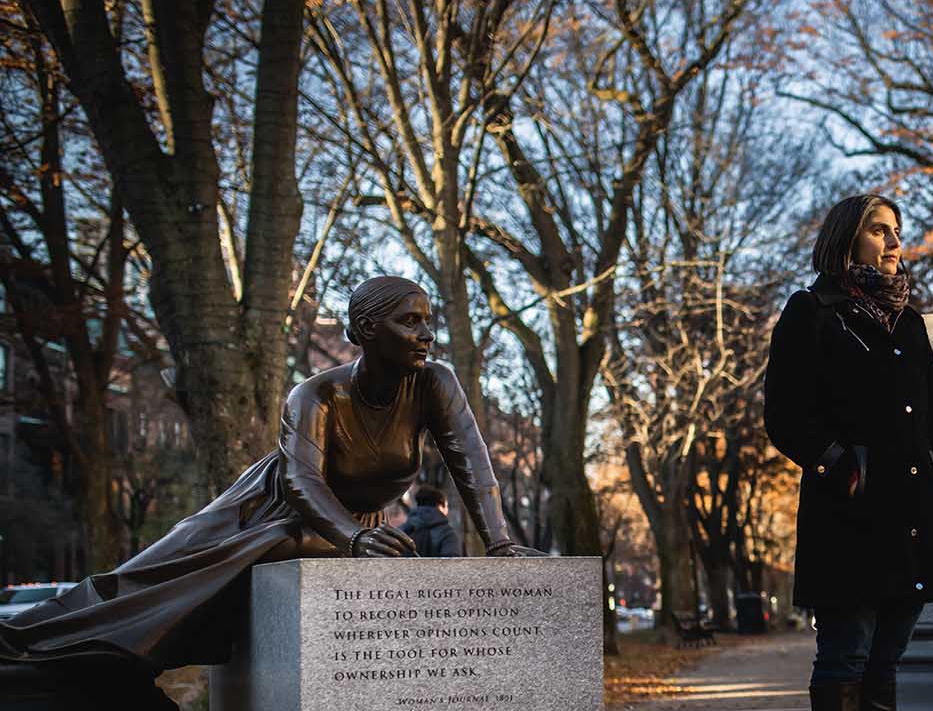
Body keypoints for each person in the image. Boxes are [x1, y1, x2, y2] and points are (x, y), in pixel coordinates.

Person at [1, 274, 541, 673]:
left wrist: (499, 544)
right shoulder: (316, 396)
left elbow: (472, 462)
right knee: (151, 574)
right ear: (366, 331)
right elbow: (303, 481)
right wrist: (353, 538)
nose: (427, 335)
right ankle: (33, 633)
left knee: (249, 560)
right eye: (410, 322)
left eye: (428, 322)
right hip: (268, 508)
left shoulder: (436, 384)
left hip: (346, 528)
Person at [764, 194, 933, 711]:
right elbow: (785, 416)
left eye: (898, 230)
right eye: (880, 229)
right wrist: (842, 466)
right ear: (849, 238)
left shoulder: (909, 320)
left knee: (886, 660)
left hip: (910, 518)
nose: (894, 240)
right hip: (846, 518)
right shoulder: (811, 312)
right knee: (844, 657)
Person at [401, 484, 464, 558]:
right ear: (440, 506)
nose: (447, 511)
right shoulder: (447, 534)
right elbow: (452, 564)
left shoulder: (402, 531)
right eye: (446, 506)